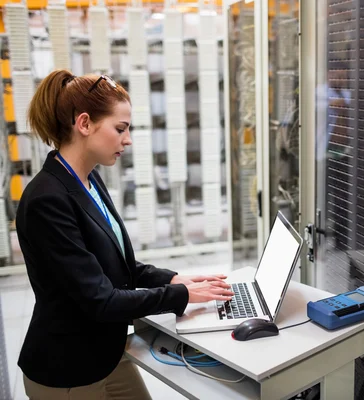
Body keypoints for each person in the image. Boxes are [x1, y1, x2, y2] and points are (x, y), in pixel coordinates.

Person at [16, 69, 234, 400]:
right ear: (85, 124)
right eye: (120, 128)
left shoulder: (87, 180)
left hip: (106, 354)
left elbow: (119, 266)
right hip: (68, 371)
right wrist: (180, 297)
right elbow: (100, 299)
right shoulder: (47, 199)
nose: (128, 139)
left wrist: (178, 280)